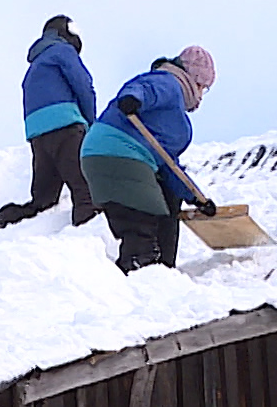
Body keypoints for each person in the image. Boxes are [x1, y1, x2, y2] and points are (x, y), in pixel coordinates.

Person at [79, 46, 219, 272]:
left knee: (158, 214)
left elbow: (170, 166)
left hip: (106, 155)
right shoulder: (170, 83)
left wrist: (196, 199)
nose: (202, 94)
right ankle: (139, 271)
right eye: (203, 86)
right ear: (193, 79)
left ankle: (154, 272)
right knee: (144, 220)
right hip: (120, 152)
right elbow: (142, 87)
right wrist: (132, 99)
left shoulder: (173, 118)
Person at [0, 15, 97, 228]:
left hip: (38, 135)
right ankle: (87, 235)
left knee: (43, 200)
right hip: (66, 126)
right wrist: (91, 123)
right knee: (85, 187)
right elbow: (83, 85)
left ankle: (6, 223)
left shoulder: (34, 67)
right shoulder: (62, 51)